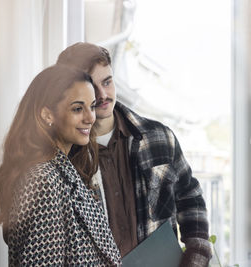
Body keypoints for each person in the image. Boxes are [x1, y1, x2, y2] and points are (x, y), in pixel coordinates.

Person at [57, 42, 212, 266]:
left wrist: (196, 255)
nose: (102, 95)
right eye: (92, 86)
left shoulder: (159, 138)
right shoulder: (62, 157)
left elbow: (191, 198)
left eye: (107, 82)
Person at [0, 65, 121, 266]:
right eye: (78, 108)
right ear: (47, 115)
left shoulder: (64, 172)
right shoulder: (43, 180)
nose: (90, 117)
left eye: (92, 106)